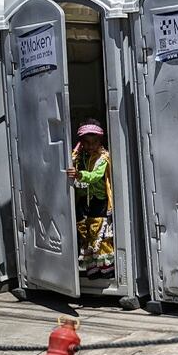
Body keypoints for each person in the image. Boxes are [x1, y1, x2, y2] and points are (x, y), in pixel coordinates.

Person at [66, 120, 115, 280]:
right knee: (85, 232)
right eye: (86, 142)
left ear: (100, 141)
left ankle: (106, 268)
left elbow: (95, 176)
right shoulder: (81, 157)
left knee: (99, 231)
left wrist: (79, 175)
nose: (90, 146)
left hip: (99, 200)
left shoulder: (103, 157)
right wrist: (76, 151)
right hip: (83, 200)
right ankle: (92, 268)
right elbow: (70, 162)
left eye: (94, 142)